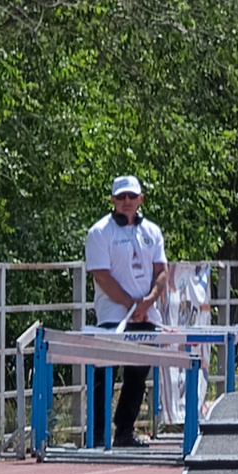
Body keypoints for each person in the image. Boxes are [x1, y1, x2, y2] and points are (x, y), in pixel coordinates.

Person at [85, 175, 168, 446]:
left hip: (146, 315)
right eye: (121, 197)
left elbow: (162, 272)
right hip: (112, 316)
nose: (127, 201)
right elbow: (101, 275)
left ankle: (124, 432)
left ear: (141, 198)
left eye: (132, 196)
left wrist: (147, 303)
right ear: (112, 200)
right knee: (103, 374)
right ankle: (97, 435)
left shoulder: (152, 232)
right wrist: (131, 305)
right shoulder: (100, 232)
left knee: (137, 375)